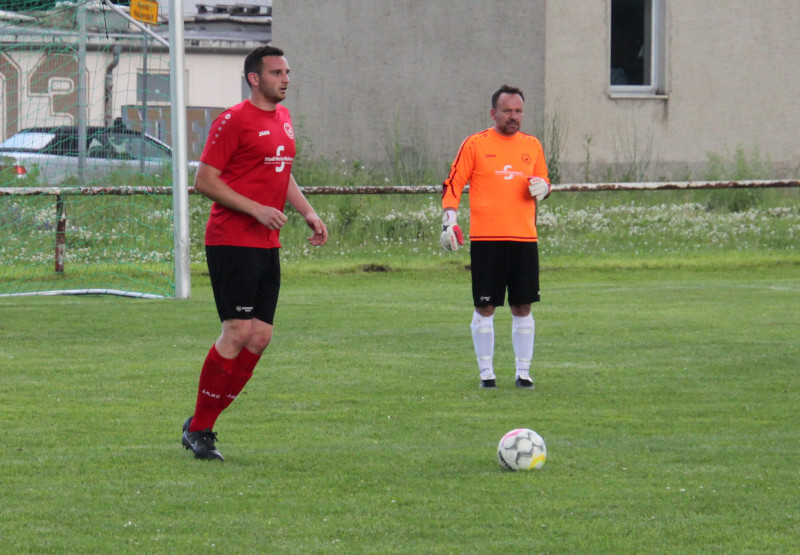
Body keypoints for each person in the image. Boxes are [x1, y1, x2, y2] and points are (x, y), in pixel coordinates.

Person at [182, 45, 328, 461]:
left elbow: (281, 172)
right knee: (237, 333)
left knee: (260, 336)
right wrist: (255, 208)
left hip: (266, 242)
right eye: (277, 72)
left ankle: (199, 421)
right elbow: (205, 181)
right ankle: (202, 429)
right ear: (254, 78)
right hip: (231, 239)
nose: (285, 78)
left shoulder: (282, 118)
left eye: (287, 71)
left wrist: (307, 211)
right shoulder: (233, 121)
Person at [440, 84, 550, 389]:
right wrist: (449, 219)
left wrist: (546, 188)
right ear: (493, 113)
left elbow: (543, 181)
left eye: (518, 111)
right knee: (485, 307)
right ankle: (486, 373)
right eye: (507, 111)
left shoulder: (533, 146)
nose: (513, 117)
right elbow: (453, 183)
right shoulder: (475, 144)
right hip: (487, 241)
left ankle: (523, 372)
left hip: (524, 240)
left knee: (523, 306)